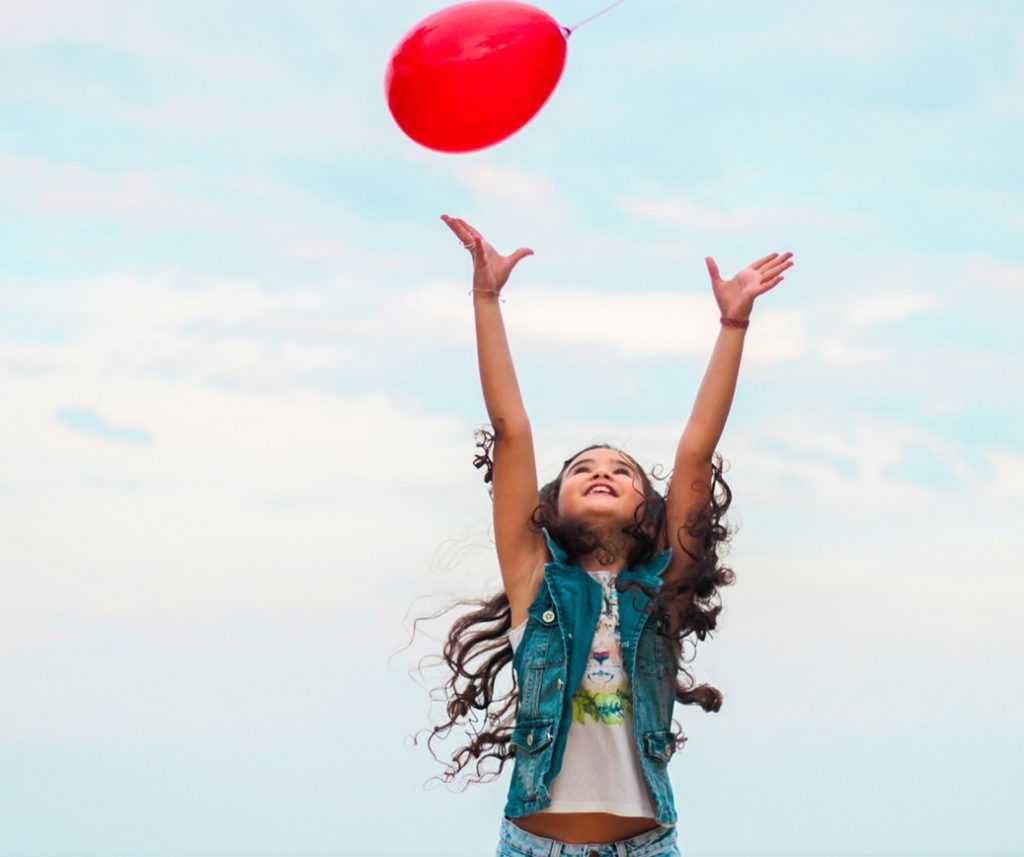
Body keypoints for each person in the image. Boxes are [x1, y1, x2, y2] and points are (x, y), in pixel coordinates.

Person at [431, 214, 793, 857]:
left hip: (646, 846)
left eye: (621, 471)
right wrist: (486, 298)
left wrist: (732, 325)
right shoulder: (533, 583)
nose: (602, 472)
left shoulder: (664, 588)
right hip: (535, 846)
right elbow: (510, 427)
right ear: (552, 505)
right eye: (582, 469)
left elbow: (695, 455)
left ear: (649, 510)